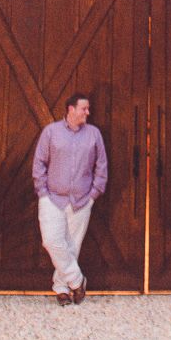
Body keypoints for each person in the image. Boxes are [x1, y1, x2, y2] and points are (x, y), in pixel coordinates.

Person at [32, 92, 107, 305]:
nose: (88, 112)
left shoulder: (94, 134)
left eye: (88, 109)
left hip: (82, 200)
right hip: (52, 198)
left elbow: (101, 165)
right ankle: (77, 280)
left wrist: (93, 194)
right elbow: (39, 162)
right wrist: (42, 192)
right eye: (84, 108)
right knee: (51, 241)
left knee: (72, 247)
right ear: (71, 109)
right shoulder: (51, 132)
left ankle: (62, 289)